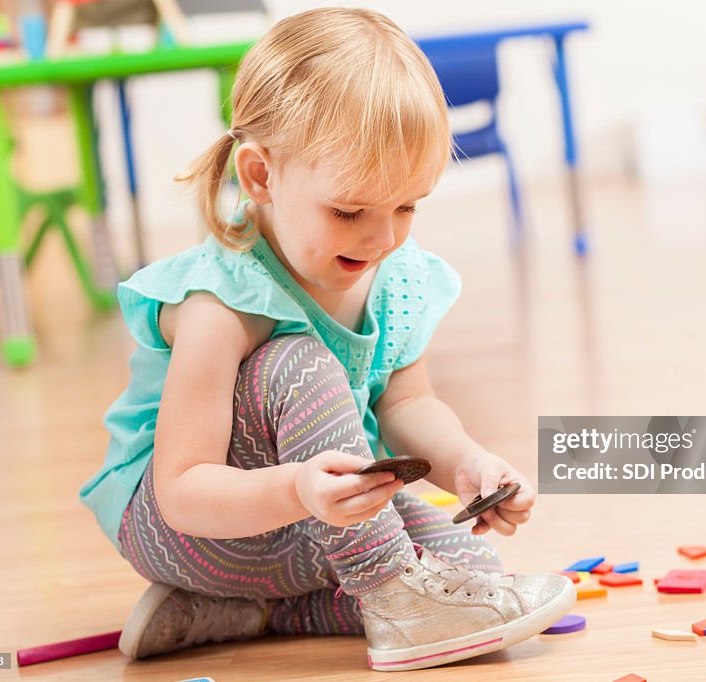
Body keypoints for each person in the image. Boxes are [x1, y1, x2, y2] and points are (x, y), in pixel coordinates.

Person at [79, 7, 574, 672]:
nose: (383, 238)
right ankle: (391, 601)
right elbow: (183, 489)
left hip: (308, 521)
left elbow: (408, 406)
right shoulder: (220, 302)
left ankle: (257, 614)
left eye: (406, 207)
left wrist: (468, 465)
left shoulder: (391, 274)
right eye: (350, 211)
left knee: (476, 568)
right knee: (299, 361)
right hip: (186, 532)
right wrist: (297, 492)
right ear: (260, 177)